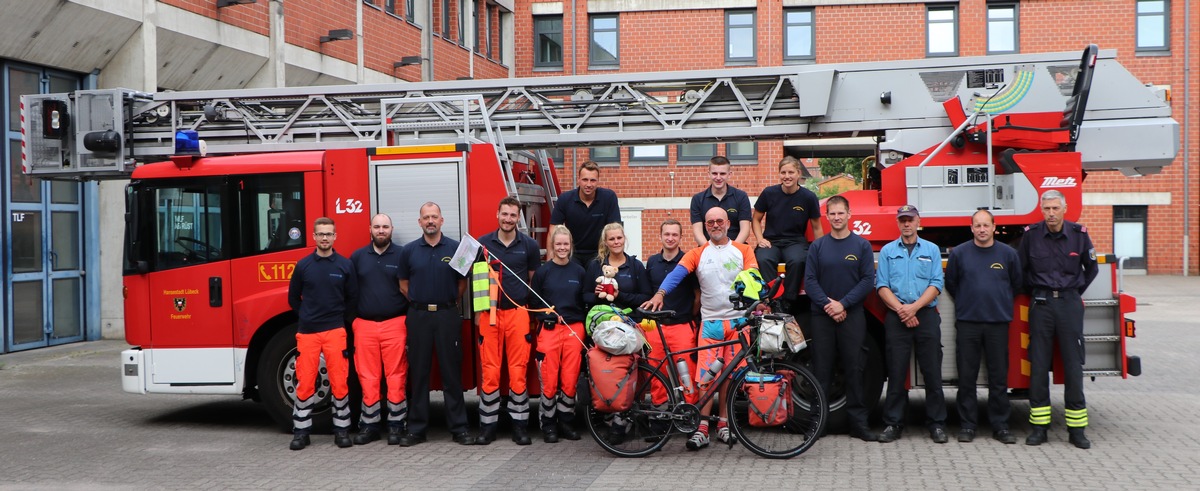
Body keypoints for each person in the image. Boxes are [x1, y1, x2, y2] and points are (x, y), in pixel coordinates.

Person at [642, 207, 758, 450]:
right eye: (710, 222)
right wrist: (661, 293)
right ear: (705, 226)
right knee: (706, 378)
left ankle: (724, 425)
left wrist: (760, 300)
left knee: (728, 377)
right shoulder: (698, 253)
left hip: (737, 322)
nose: (715, 225)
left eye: (719, 221)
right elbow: (678, 273)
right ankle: (702, 428)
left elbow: (753, 277)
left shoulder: (744, 250)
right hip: (711, 323)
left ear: (728, 223)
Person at [1017, 190, 1098, 449]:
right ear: (1042, 210)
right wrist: (1039, 293)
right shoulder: (1031, 236)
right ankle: (1039, 428)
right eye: (1047, 209)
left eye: (1055, 208)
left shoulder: (1079, 235)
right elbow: (1021, 271)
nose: (1051, 213)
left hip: (1069, 304)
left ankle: (1077, 430)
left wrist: (1072, 293)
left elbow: (1091, 268)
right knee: (1039, 366)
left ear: (1065, 208)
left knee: (1073, 366)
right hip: (1041, 304)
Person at [396, 202, 474, 447]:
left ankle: (459, 428)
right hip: (418, 317)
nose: (430, 221)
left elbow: (462, 284)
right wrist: (422, 302)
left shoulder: (455, 248)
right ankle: (417, 429)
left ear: (442, 220)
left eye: (434, 217)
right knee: (419, 374)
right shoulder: (408, 251)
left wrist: (444, 302)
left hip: (447, 315)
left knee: (452, 373)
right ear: (419, 222)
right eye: (425, 217)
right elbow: (403, 284)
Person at [803, 195, 878, 442]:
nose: (836, 217)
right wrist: (829, 305)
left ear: (849, 214)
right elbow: (810, 280)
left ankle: (858, 424)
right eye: (832, 214)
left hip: (852, 315)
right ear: (827, 217)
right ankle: (818, 423)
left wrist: (843, 304)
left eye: (840, 213)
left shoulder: (861, 246)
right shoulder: (818, 246)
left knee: (854, 369)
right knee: (821, 371)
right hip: (822, 316)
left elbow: (868, 280)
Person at [946, 209, 1022, 444]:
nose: (981, 230)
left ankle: (1000, 426)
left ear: (994, 226)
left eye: (985, 225)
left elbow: (1016, 285)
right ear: (971, 228)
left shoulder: (1008, 254)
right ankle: (968, 426)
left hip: (997, 323)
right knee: (966, 378)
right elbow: (952, 284)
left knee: (998, 378)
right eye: (977, 225)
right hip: (968, 323)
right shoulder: (959, 254)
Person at [875, 204, 948, 444]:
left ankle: (936, 424)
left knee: (932, 372)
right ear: (898, 223)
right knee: (896, 373)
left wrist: (913, 308)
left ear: (918, 222)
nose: (906, 224)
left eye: (910, 220)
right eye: (902, 220)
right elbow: (882, 286)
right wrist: (902, 310)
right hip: (897, 316)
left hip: (925, 314)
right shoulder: (887, 251)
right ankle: (893, 423)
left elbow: (937, 283)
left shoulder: (932, 249)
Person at [286, 217, 359, 450]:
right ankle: (300, 432)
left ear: (335, 237)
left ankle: (341, 430)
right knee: (305, 382)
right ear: (314, 237)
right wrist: (307, 317)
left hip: (335, 331)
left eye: (329, 234)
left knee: (339, 382)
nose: (325, 238)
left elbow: (352, 299)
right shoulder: (303, 265)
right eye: (321, 234)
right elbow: (293, 298)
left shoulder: (345, 265)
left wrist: (338, 319)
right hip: (308, 333)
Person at [475, 197, 542, 446]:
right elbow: (464, 272)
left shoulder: (529, 246)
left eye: (513, 215)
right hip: (489, 314)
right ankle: (487, 427)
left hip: (518, 314)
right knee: (490, 373)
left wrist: (532, 314)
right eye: (504, 214)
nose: (508, 219)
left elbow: (533, 280)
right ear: (497, 214)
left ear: (518, 217)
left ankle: (520, 426)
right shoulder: (482, 244)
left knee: (518, 372)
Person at [348, 214, 410, 446]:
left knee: (397, 377)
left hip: (395, 323)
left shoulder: (403, 255)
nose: (381, 230)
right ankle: (369, 425)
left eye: (385, 226)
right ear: (370, 230)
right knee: (368, 377)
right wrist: (353, 320)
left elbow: (408, 288)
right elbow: (350, 292)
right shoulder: (357, 257)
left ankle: (396, 425)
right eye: (377, 227)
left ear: (392, 229)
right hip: (364, 325)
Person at [530, 225, 588, 443]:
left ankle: (566, 423)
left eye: (566, 244)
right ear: (552, 246)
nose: (562, 248)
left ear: (570, 246)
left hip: (574, 330)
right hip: (550, 331)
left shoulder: (579, 271)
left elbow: (584, 301)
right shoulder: (543, 272)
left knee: (570, 380)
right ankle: (549, 425)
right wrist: (547, 315)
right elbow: (534, 303)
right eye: (558, 244)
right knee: (549, 379)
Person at [752, 156, 823, 308]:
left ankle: (788, 301)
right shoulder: (769, 193)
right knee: (763, 259)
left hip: (796, 241)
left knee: (798, 260)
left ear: (798, 173)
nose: (787, 176)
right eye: (783, 172)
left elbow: (817, 227)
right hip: (772, 241)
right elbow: (756, 219)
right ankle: (773, 299)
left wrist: (820, 250)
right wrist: (759, 239)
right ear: (779, 174)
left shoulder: (808, 197)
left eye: (791, 172)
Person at [643, 219, 700, 407]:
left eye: (674, 234)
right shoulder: (652, 262)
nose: (670, 238)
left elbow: (697, 296)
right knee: (655, 373)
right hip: (656, 328)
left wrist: (687, 315)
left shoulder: (688, 261)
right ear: (660, 236)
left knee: (687, 374)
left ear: (681, 237)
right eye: (666, 234)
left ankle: (689, 413)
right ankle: (660, 416)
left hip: (682, 326)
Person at [549, 161, 622, 265]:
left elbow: (615, 229)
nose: (588, 184)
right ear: (578, 179)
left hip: (599, 253)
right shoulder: (565, 199)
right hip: (572, 253)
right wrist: (551, 261)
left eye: (593, 180)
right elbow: (553, 231)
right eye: (585, 180)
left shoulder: (609, 198)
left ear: (598, 181)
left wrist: (616, 260)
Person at [583, 222, 653, 313]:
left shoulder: (636, 265)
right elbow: (585, 296)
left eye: (619, 238)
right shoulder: (595, 265)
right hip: (602, 320)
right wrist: (596, 295)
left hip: (629, 320)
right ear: (605, 242)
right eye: (611, 239)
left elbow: (646, 297)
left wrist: (620, 295)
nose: (616, 242)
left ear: (624, 239)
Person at [690, 156, 752, 246]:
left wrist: (730, 251)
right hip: (707, 249)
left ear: (729, 174)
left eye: (722, 173)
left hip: (735, 248)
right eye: (714, 173)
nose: (718, 178)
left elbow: (745, 230)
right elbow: (697, 232)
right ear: (709, 174)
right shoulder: (697, 199)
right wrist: (710, 250)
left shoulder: (741, 197)